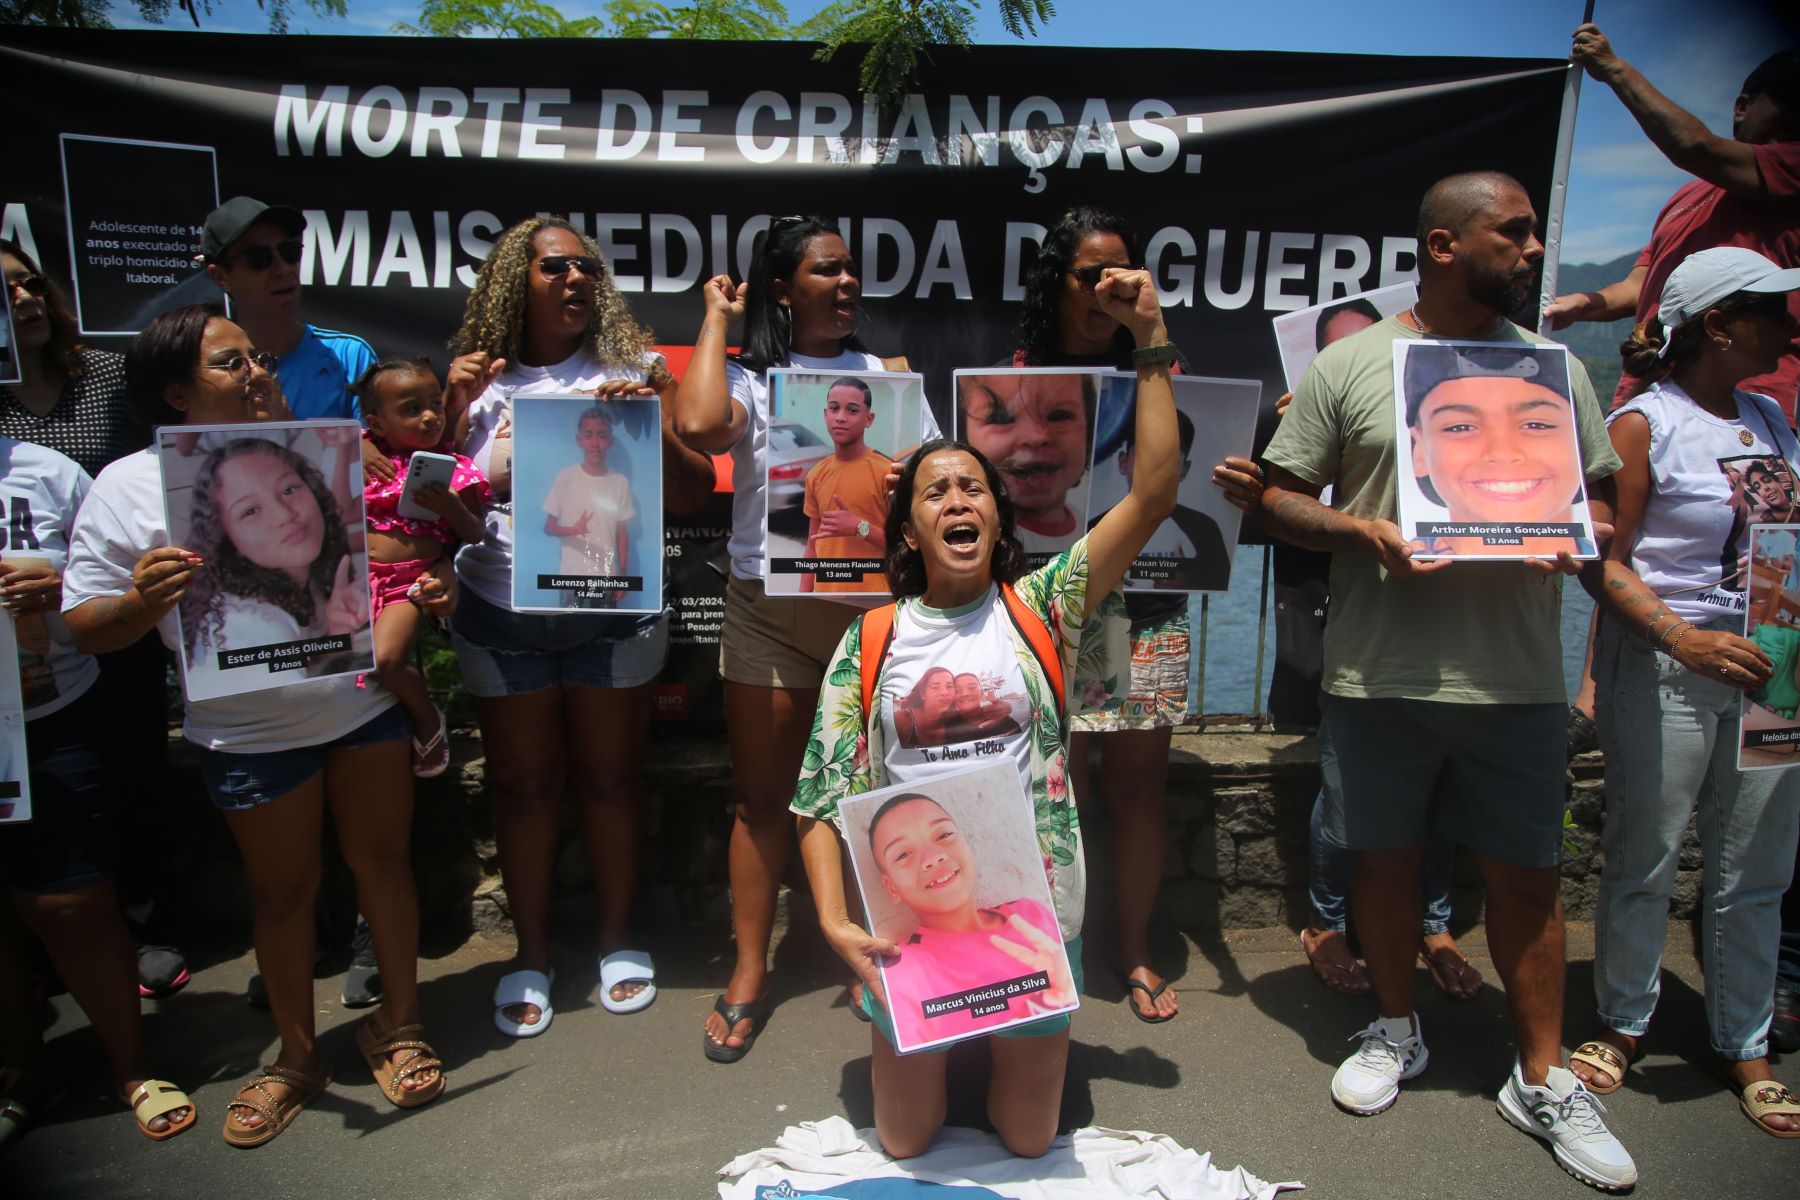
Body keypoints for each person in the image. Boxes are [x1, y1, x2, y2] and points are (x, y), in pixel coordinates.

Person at [1260, 172, 1636, 1190]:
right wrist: (1360, 530)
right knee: (1381, 865)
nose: (1530, 251)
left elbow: (1606, 513)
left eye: (1530, 233)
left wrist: (1577, 532)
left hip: (1517, 677)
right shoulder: (1353, 364)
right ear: (1441, 244)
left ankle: (1543, 1075)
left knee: (1529, 879)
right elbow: (1278, 501)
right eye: (1510, 235)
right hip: (1379, 674)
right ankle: (1395, 1028)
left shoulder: (1558, 371)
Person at [792, 262, 1188, 1160]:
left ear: (996, 522)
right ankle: (933, 1052)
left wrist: (1151, 339)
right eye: (935, 491)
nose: (958, 500)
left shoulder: (1044, 606)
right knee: (902, 1142)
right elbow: (822, 794)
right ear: (910, 531)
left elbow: (1156, 486)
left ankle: (1008, 1052)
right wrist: (831, 917)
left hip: (1033, 909)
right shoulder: (873, 643)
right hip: (909, 921)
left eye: (973, 487)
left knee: (1024, 1139)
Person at [62, 305, 444, 1147]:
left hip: (359, 707)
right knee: (281, 896)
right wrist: (136, 605)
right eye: (230, 365)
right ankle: (299, 1056)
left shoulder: (331, 448)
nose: (257, 373)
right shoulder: (127, 486)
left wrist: (424, 584)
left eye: (256, 359)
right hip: (249, 735)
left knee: (383, 863)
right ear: (174, 392)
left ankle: (401, 1022)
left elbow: (393, 549)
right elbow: (84, 622)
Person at [672, 215, 937, 1062]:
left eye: (852, 270)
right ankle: (751, 972)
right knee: (762, 801)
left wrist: (910, 482)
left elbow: (934, 479)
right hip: (768, 609)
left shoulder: (888, 379)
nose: (848, 283)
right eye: (827, 271)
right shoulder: (751, 378)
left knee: (876, 792)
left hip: (873, 617)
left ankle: (872, 956)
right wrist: (718, 318)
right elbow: (703, 427)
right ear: (784, 287)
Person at [446, 217, 714, 1036]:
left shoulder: (631, 372)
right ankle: (529, 953)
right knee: (523, 789)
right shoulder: (475, 382)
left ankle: (617, 939)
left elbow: (694, 495)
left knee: (611, 782)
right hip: (500, 615)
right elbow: (429, 508)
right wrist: (453, 413)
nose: (576, 280)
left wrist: (653, 423)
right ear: (512, 281)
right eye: (557, 266)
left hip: (611, 618)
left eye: (589, 269)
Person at [1009, 206, 1261, 1023]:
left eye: (1125, 272)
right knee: (1059, 782)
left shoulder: (1161, 367)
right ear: (1056, 283)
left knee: (1138, 788)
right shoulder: (1016, 376)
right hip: (1053, 603)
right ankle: (1060, 939)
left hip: (1147, 606)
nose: (1110, 288)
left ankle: (1133, 943)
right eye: (1091, 275)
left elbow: (1183, 478)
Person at [1572, 246, 1800, 1139]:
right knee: (1647, 852)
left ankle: (1743, 1040)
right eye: (1772, 310)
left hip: (1774, 671)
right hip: (1669, 665)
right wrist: (1681, 636)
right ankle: (1624, 1020)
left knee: (1757, 867)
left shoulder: (1774, 421)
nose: (1789, 325)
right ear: (1717, 324)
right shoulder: (1644, 424)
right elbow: (1603, 562)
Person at [0, 243, 186, 1001]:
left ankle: (144, 924)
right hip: (25, 650)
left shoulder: (107, 378)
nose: (24, 301)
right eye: (5, 292)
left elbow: (143, 491)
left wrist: (69, 578)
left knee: (133, 767)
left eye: (29, 283)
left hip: (119, 602)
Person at [0, 434, 196, 1150]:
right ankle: (22, 1069)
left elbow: (100, 582)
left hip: (49, 717)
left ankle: (130, 1067)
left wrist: (57, 591)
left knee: (72, 901)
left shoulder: (47, 472)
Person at [1548, 33, 1799, 415]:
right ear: (1742, 107)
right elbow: (1639, 287)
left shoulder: (1793, 169)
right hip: (1650, 390)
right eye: (1790, 101)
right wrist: (1580, 305)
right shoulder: (1685, 197)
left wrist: (1614, 69)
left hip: (1748, 401)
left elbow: (1693, 146)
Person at [356, 356, 489, 776]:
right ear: (377, 424)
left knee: (385, 661)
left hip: (413, 582)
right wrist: (357, 446)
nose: (431, 416)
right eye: (412, 409)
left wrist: (448, 504)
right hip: (354, 581)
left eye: (434, 403)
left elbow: (474, 533)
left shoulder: (457, 469)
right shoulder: (362, 453)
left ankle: (428, 717)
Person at [859, 794, 1076, 1049]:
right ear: (891, 887)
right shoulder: (903, 971)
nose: (932, 857)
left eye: (943, 835)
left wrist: (1057, 994)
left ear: (968, 845)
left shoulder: (1031, 916)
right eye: (903, 854)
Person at [174, 433, 366, 689]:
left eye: (289, 489)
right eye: (250, 511)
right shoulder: (246, 622)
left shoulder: (312, 588)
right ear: (226, 540)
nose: (284, 514)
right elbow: (302, 703)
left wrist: (338, 634)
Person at [1401, 344, 1592, 559]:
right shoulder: (1402, 552)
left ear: (1578, 440)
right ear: (1419, 450)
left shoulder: (1598, 559)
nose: (1502, 453)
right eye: (1460, 427)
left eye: (1537, 425)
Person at [201, 197, 377, 422]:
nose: (283, 269)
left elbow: (377, 453)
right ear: (221, 276)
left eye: (290, 251)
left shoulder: (349, 356)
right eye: (259, 258)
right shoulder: (206, 369)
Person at [957, 370, 1094, 557]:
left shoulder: (1094, 529)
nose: (1036, 437)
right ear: (962, 438)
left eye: (1059, 416)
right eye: (1002, 419)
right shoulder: (966, 540)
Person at [1103, 410, 1229, 590]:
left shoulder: (1204, 530)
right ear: (1123, 462)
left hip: (1170, 615)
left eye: (1169, 459)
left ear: (1183, 470)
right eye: (1145, 455)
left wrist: (1188, 582)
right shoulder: (1094, 528)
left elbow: (1217, 581)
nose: (1154, 467)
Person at [801, 376, 891, 594]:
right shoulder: (816, 475)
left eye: (852, 410)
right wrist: (802, 598)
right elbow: (812, 548)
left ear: (869, 419)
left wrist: (860, 528)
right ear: (825, 415)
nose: (840, 417)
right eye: (834, 408)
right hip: (825, 598)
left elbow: (904, 546)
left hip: (875, 601)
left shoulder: (888, 472)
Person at [542, 405, 634, 609]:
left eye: (601, 436)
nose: (595, 443)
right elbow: (548, 527)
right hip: (571, 577)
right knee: (567, 633)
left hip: (606, 577)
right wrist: (573, 530)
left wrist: (623, 576)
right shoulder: (565, 477)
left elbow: (622, 534)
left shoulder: (619, 482)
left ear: (609, 441)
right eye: (588, 435)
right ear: (579, 440)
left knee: (604, 635)